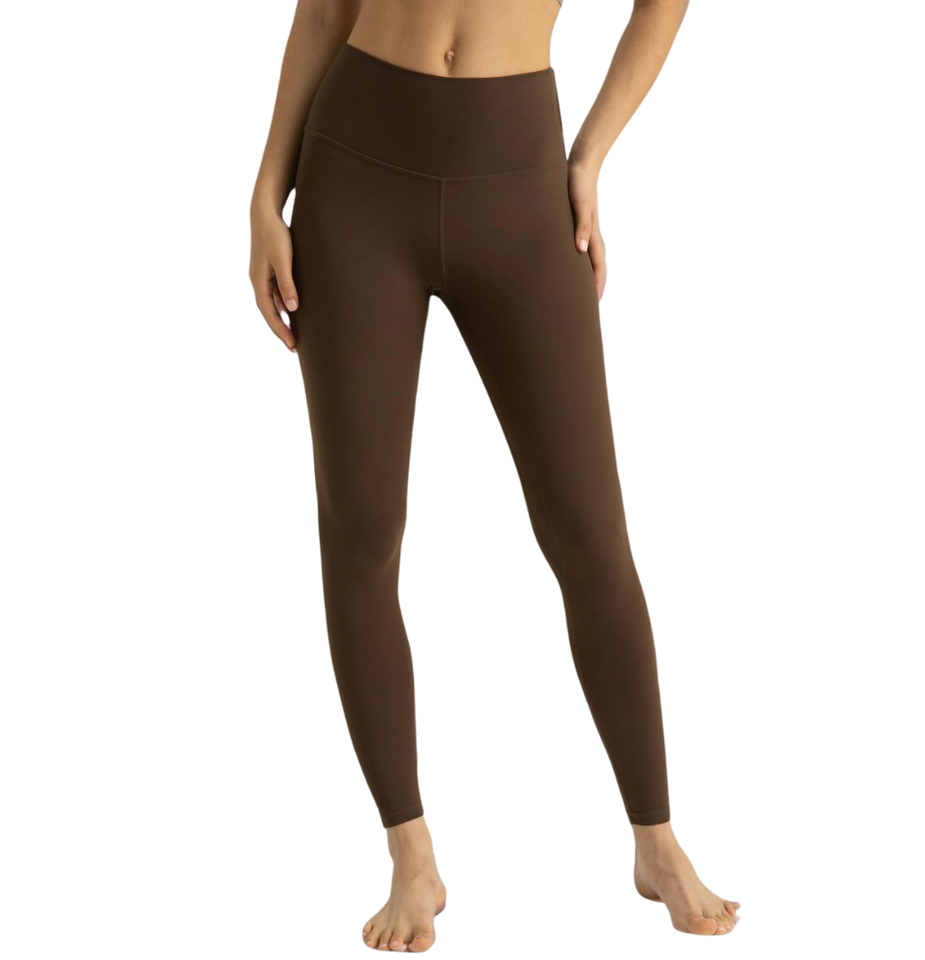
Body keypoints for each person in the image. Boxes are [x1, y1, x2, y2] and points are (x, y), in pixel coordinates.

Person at [250, 0, 739, 949]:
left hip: (517, 178)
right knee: (361, 533)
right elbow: (324, 10)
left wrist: (591, 155)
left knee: (590, 536)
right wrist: (268, 192)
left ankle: (657, 840)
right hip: (354, 174)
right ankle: (411, 855)